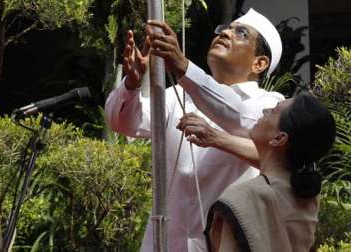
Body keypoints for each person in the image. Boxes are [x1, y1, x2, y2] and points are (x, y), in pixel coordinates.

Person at [105, 8, 284, 252]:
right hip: (163, 244)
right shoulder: (178, 94)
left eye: (240, 33)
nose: (226, 34)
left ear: (259, 63)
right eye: (225, 29)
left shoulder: (271, 104)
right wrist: (132, 84)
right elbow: (124, 124)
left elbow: (239, 116)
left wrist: (183, 67)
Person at [178, 94, 336, 251]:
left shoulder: (243, 198)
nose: (265, 110)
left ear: (279, 138)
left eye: (273, 111)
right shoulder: (305, 194)